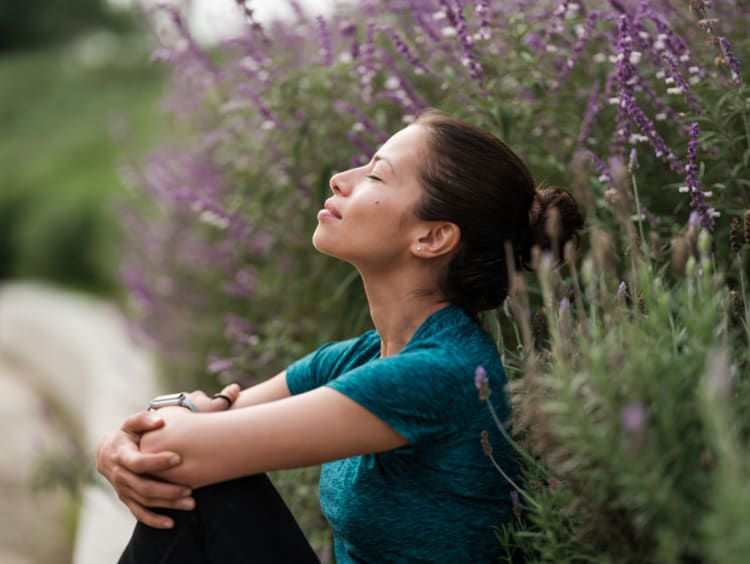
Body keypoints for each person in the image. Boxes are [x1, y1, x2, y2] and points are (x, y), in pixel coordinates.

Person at [96, 109, 584, 563]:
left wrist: (140, 437)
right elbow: (204, 423)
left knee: (210, 488)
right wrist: (122, 440)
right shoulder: (361, 356)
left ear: (433, 237)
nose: (340, 179)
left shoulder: (438, 373)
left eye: (375, 175)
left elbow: (183, 449)